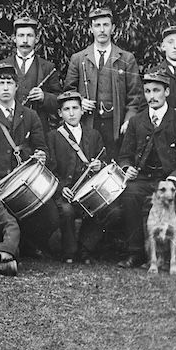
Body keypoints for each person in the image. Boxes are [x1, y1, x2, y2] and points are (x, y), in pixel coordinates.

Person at [116, 71, 176, 273]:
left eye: (156, 90)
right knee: (130, 194)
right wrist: (128, 169)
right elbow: (125, 155)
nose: (152, 96)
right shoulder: (137, 122)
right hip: (145, 178)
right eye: (147, 91)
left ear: (167, 92)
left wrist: (173, 180)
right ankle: (135, 252)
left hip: (172, 178)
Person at [0, 62, 56, 257]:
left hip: (25, 184)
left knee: (52, 215)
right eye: (1, 83)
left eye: (10, 82)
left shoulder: (31, 115)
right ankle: (14, 247)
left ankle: (27, 244)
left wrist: (42, 156)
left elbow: (42, 148)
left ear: (17, 86)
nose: (6, 87)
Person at [64, 6, 142, 159]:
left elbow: (135, 97)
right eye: (97, 25)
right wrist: (79, 101)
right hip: (88, 124)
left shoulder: (126, 59)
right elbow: (68, 93)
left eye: (106, 25)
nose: (101, 30)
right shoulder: (78, 59)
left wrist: (128, 120)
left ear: (112, 28)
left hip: (116, 126)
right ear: (91, 29)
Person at [46, 91, 107, 264]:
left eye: (75, 108)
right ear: (60, 113)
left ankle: (85, 249)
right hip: (66, 192)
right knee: (66, 211)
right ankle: (70, 252)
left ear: (82, 110)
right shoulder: (53, 137)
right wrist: (60, 188)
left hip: (88, 191)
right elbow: (50, 170)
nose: (71, 113)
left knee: (101, 207)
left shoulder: (93, 135)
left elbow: (103, 160)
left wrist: (99, 165)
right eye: (66, 109)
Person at [4, 16, 62, 134]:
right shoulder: (2, 66)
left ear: (36, 39)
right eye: (21, 36)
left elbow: (60, 100)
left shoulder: (48, 68)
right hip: (8, 128)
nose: (25, 40)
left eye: (29, 36)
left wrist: (44, 97)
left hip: (38, 129)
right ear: (14, 38)